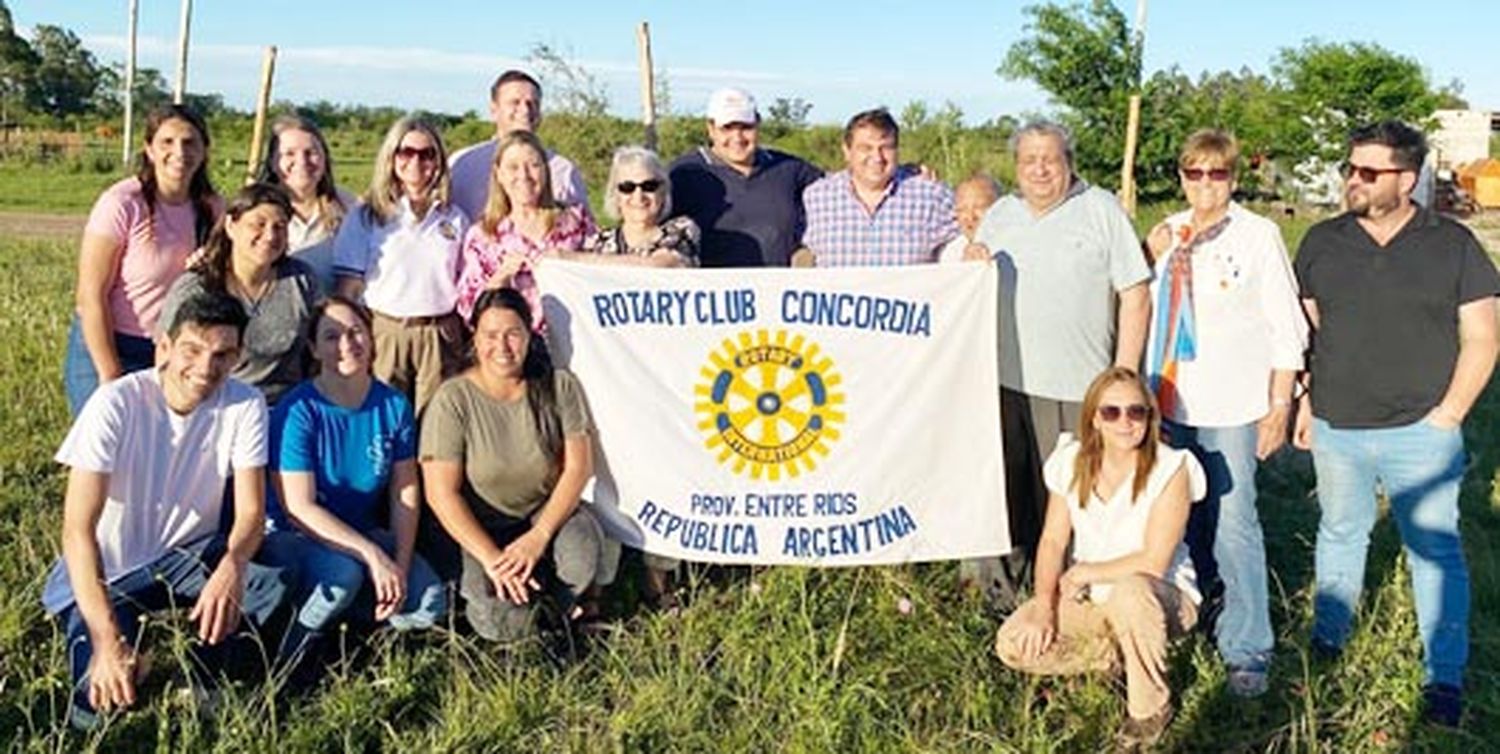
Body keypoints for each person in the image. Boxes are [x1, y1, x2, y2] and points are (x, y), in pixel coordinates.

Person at [1292, 121, 1499, 727]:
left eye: (1368, 172)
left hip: (1422, 431)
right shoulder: (1321, 241)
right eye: (1349, 168)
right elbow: (1308, 331)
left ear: (1406, 180)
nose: (1352, 181)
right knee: (1340, 532)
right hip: (1338, 425)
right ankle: (1328, 640)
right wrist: (1307, 401)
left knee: (1435, 551)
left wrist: (1449, 415)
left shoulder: (1453, 244)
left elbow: (1484, 337)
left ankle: (1444, 677)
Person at [43, 291, 290, 730]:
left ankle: (204, 674)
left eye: (222, 355)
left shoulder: (244, 403)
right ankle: (109, 638)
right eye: (192, 350)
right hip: (110, 573)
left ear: (236, 358)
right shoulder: (116, 403)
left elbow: (251, 514)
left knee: (265, 580)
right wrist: (106, 639)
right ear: (164, 347)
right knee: (97, 710)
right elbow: (77, 532)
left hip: (186, 557)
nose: (205, 368)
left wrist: (232, 565)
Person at [1139, 129, 1307, 698]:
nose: (1204, 185)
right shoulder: (1166, 234)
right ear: (1181, 177)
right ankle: (1190, 613)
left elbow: (1288, 327)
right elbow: (1141, 310)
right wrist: (1149, 254)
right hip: (1167, 400)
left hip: (1232, 404)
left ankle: (1247, 644)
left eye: (1216, 174)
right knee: (1178, 521)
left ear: (1233, 178)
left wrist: (1280, 404)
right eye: (1193, 173)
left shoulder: (1259, 236)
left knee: (1235, 522)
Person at [968, 120, 1153, 611]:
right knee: (1007, 497)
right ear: (1016, 167)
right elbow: (970, 287)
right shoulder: (1000, 215)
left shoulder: (1101, 211)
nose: (1040, 169)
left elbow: (1135, 296)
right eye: (1028, 160)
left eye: (1050, 158)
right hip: (1006, 384)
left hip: (1081, 388)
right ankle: (1004, 605)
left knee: (1074, 504)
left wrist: (1123, 379)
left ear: (1069, 161)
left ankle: (1074, 605)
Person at [994, 367, 1205, 750]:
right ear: (1094, 417)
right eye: (1111, 412)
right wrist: (1044, 605)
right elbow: (1053, 540)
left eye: (1136, 412)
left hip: (1161, 597)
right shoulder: (1072, 462)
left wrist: (1087, 571)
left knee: (1130, 591)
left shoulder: (1172, 468)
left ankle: (1149, 710)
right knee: (1013, 640)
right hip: (1093, 598)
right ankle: (1112, 658)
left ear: (1150, 416)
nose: (1125, 422)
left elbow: (1154, 561)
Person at [260, 296, 446, 664]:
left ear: (372, 337)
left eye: (356, 331)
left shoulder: (393, 405)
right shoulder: (298, 410)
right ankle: (289, 653)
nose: (347, 344)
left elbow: (404, 493)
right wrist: (373, 556)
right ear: (313, 348)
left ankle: (352, 630)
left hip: (360, 533)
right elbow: (299, 509)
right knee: (343, 574)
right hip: (294, 537)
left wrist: (401, 565)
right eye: (331, 336)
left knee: (429, 602)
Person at [420, 288, 606, 641]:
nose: (502, 347)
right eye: (490, 335)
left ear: (529, 334)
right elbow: (441, 494)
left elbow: (578, 468)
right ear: (474, 337)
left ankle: (556, 601)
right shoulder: (452, 399)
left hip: (540, 515)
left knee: (582, 555)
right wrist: (491, 558)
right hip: (478, 528)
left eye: (513, 334)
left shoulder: (558, 386)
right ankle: (525, 616)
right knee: (502, 619)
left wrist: (539, 537)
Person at [65, 103, 222, 416]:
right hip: (112, 343)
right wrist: (109, 374)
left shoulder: (213, 208)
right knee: (107, 453)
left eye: (190, 142)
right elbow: (90, 297)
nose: (179, 152)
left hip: (176, 351)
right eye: (167, 142)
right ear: (149, 149)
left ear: (204, 150)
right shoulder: (123, 203)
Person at [333, 116, 467, 414]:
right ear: (391, 158)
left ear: (439, 161)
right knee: (384, 420)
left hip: (439, 335)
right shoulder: (367, 216)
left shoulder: (455, 217)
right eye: (406, 152)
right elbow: (348, 290)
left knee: (435, 425)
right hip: (386, 332)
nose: (416, 161)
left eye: (427, 154)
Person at [160, 183, 321, 405]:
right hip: (214, 403)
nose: (269, 236)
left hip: (283, 405)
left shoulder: (301, 281)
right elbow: (165, 357)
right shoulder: (197, 287)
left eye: (280, 226)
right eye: (259, 224)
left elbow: (316, 350)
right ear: (231, 225)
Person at [454, 130, 595, 328]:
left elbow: (603, 274)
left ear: (546, 171)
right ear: (499, 174)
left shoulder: (576, 221)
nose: (524, 175)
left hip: (573, 344)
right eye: (513, 167)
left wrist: (570, 259)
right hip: (514, 350)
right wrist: (500, 277)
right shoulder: (483, 236)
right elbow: (468, 308)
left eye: (534, 165)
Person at [668, 87, 822, 268]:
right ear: (711, 128)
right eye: (727, 128)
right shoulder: (683, 174)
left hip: (776, 290)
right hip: (713, 292)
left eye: (746, 127)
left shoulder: (791, 169)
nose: (737, 137)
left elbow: (838, 192)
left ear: (758, 123)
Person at [801, 108, 957, 267]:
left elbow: (971, 233)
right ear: (847, 151)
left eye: (886, 147)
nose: (877, 157)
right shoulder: (816, 198)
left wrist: (973, 248)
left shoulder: (931, 196)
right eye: (866, 148)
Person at [449, 70, 590, 222]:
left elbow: (584, 233)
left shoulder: (563, 171)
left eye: (532, 103)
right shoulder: (463, 164)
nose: (525, 110)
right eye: (515, 102)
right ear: (494, 110)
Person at [257, 114, 356, 294]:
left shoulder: (350, 207)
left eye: (311, 152)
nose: (302, 161)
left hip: (333, 316)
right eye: (289, 153)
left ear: (325, 159)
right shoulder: (253, 210)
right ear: (272, 162)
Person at [555, 145, 699, 268]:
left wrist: (574, 258)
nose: (639, 195)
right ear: (615, 194)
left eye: (649, 186)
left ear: (663, 190)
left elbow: (658, 267)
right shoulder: (599, 242)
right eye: (627, 187)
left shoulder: (682, 230)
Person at [938, 175, 1000, 263]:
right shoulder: (951, 253)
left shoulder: (1012, 244)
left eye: (979, 207)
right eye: (962, 209)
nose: (970, 217)